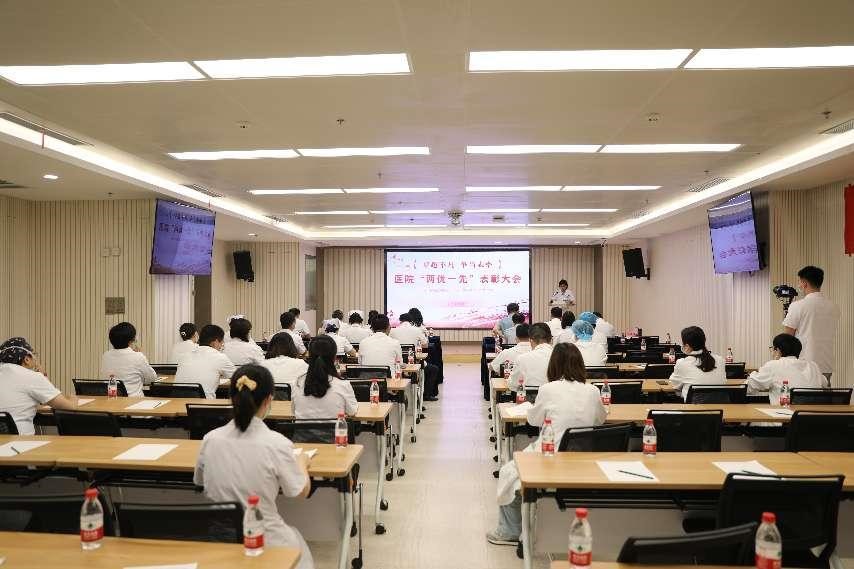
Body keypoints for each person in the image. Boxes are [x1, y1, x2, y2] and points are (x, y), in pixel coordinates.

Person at [194, 364, 314, 569]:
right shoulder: (277, 444)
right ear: (268, 400)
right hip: (264, 539)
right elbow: (299, 491)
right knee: (298, 545)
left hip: (219, 540)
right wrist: (302, 462)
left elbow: (200, 481)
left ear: (231, 398)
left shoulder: (210, 439)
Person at [489, 342, 605, 546]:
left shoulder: (548, 389)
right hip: (584, 458)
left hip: (551, 455)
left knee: (509, 472)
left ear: (553, 365)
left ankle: (509, 531)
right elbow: (600, 420)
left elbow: (534, 420)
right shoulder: (593, 391)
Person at [0, 337, 76, 435]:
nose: (36, 358)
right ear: (27, 359)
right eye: (34, 354)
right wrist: (73, 399)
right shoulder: (31, 377)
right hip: (20, 442)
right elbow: (68, 407)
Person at [782, 266, 840, 385]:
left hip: (805, 364)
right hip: (826, 363)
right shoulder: (833, 306)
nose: (799, 285)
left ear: (804, 283)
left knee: (805, 395)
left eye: (800, 282)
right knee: (825, 395)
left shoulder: (798, 306)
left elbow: (787, 338)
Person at [293, 335, 358, 419]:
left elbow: (293, 411)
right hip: (335, 428)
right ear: (334, 358)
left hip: (301, 428)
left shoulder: (298, 383)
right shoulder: (343, 385)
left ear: (309, 356)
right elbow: (352, 412)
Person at [747, 334, 824, 405]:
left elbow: (750, 386)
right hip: (815, 413)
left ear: (778, 350)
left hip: (785, 413)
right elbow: (823, 384)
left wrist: (752, 375)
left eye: (772, 349)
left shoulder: (773, 365)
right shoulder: (813, 366)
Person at [175, 324, 237, 398]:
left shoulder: (185, 356)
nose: (222, 346)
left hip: (177, 401)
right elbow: (238, 377)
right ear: (215, 342)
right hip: (204, 403)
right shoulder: (220, 357)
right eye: (221, 342)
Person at [99, 322, 157, 397]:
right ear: (131, 340)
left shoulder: (106, 356)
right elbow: (152, 379)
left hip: (112, 401)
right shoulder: (138, 356)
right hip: (135, 402)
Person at [668, 326, 725, 400]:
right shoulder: (720, 360)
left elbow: (674, 385)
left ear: (687, 346)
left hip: (694, 407)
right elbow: (723, 382)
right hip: (721, 406)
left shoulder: (682, 363)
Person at [508, 323, 553, 389]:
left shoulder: (522, 358)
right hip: (556, 395)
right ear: (551, 339)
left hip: (529, 395)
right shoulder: (561, 357)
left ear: (531, 341)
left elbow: (513, 384)